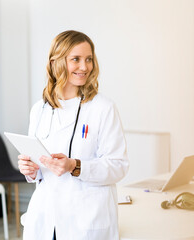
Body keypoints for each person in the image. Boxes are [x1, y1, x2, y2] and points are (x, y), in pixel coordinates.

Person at [17, 30, 129, 240]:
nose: (84, 67)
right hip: (45, 219)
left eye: (88, 59)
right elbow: (38, 172)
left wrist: (75, 166)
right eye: (75, 59)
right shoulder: (39, 110)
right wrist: (29, 170)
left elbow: (118, 166)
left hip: (86, 220)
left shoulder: (103, 108)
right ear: (55, 63)